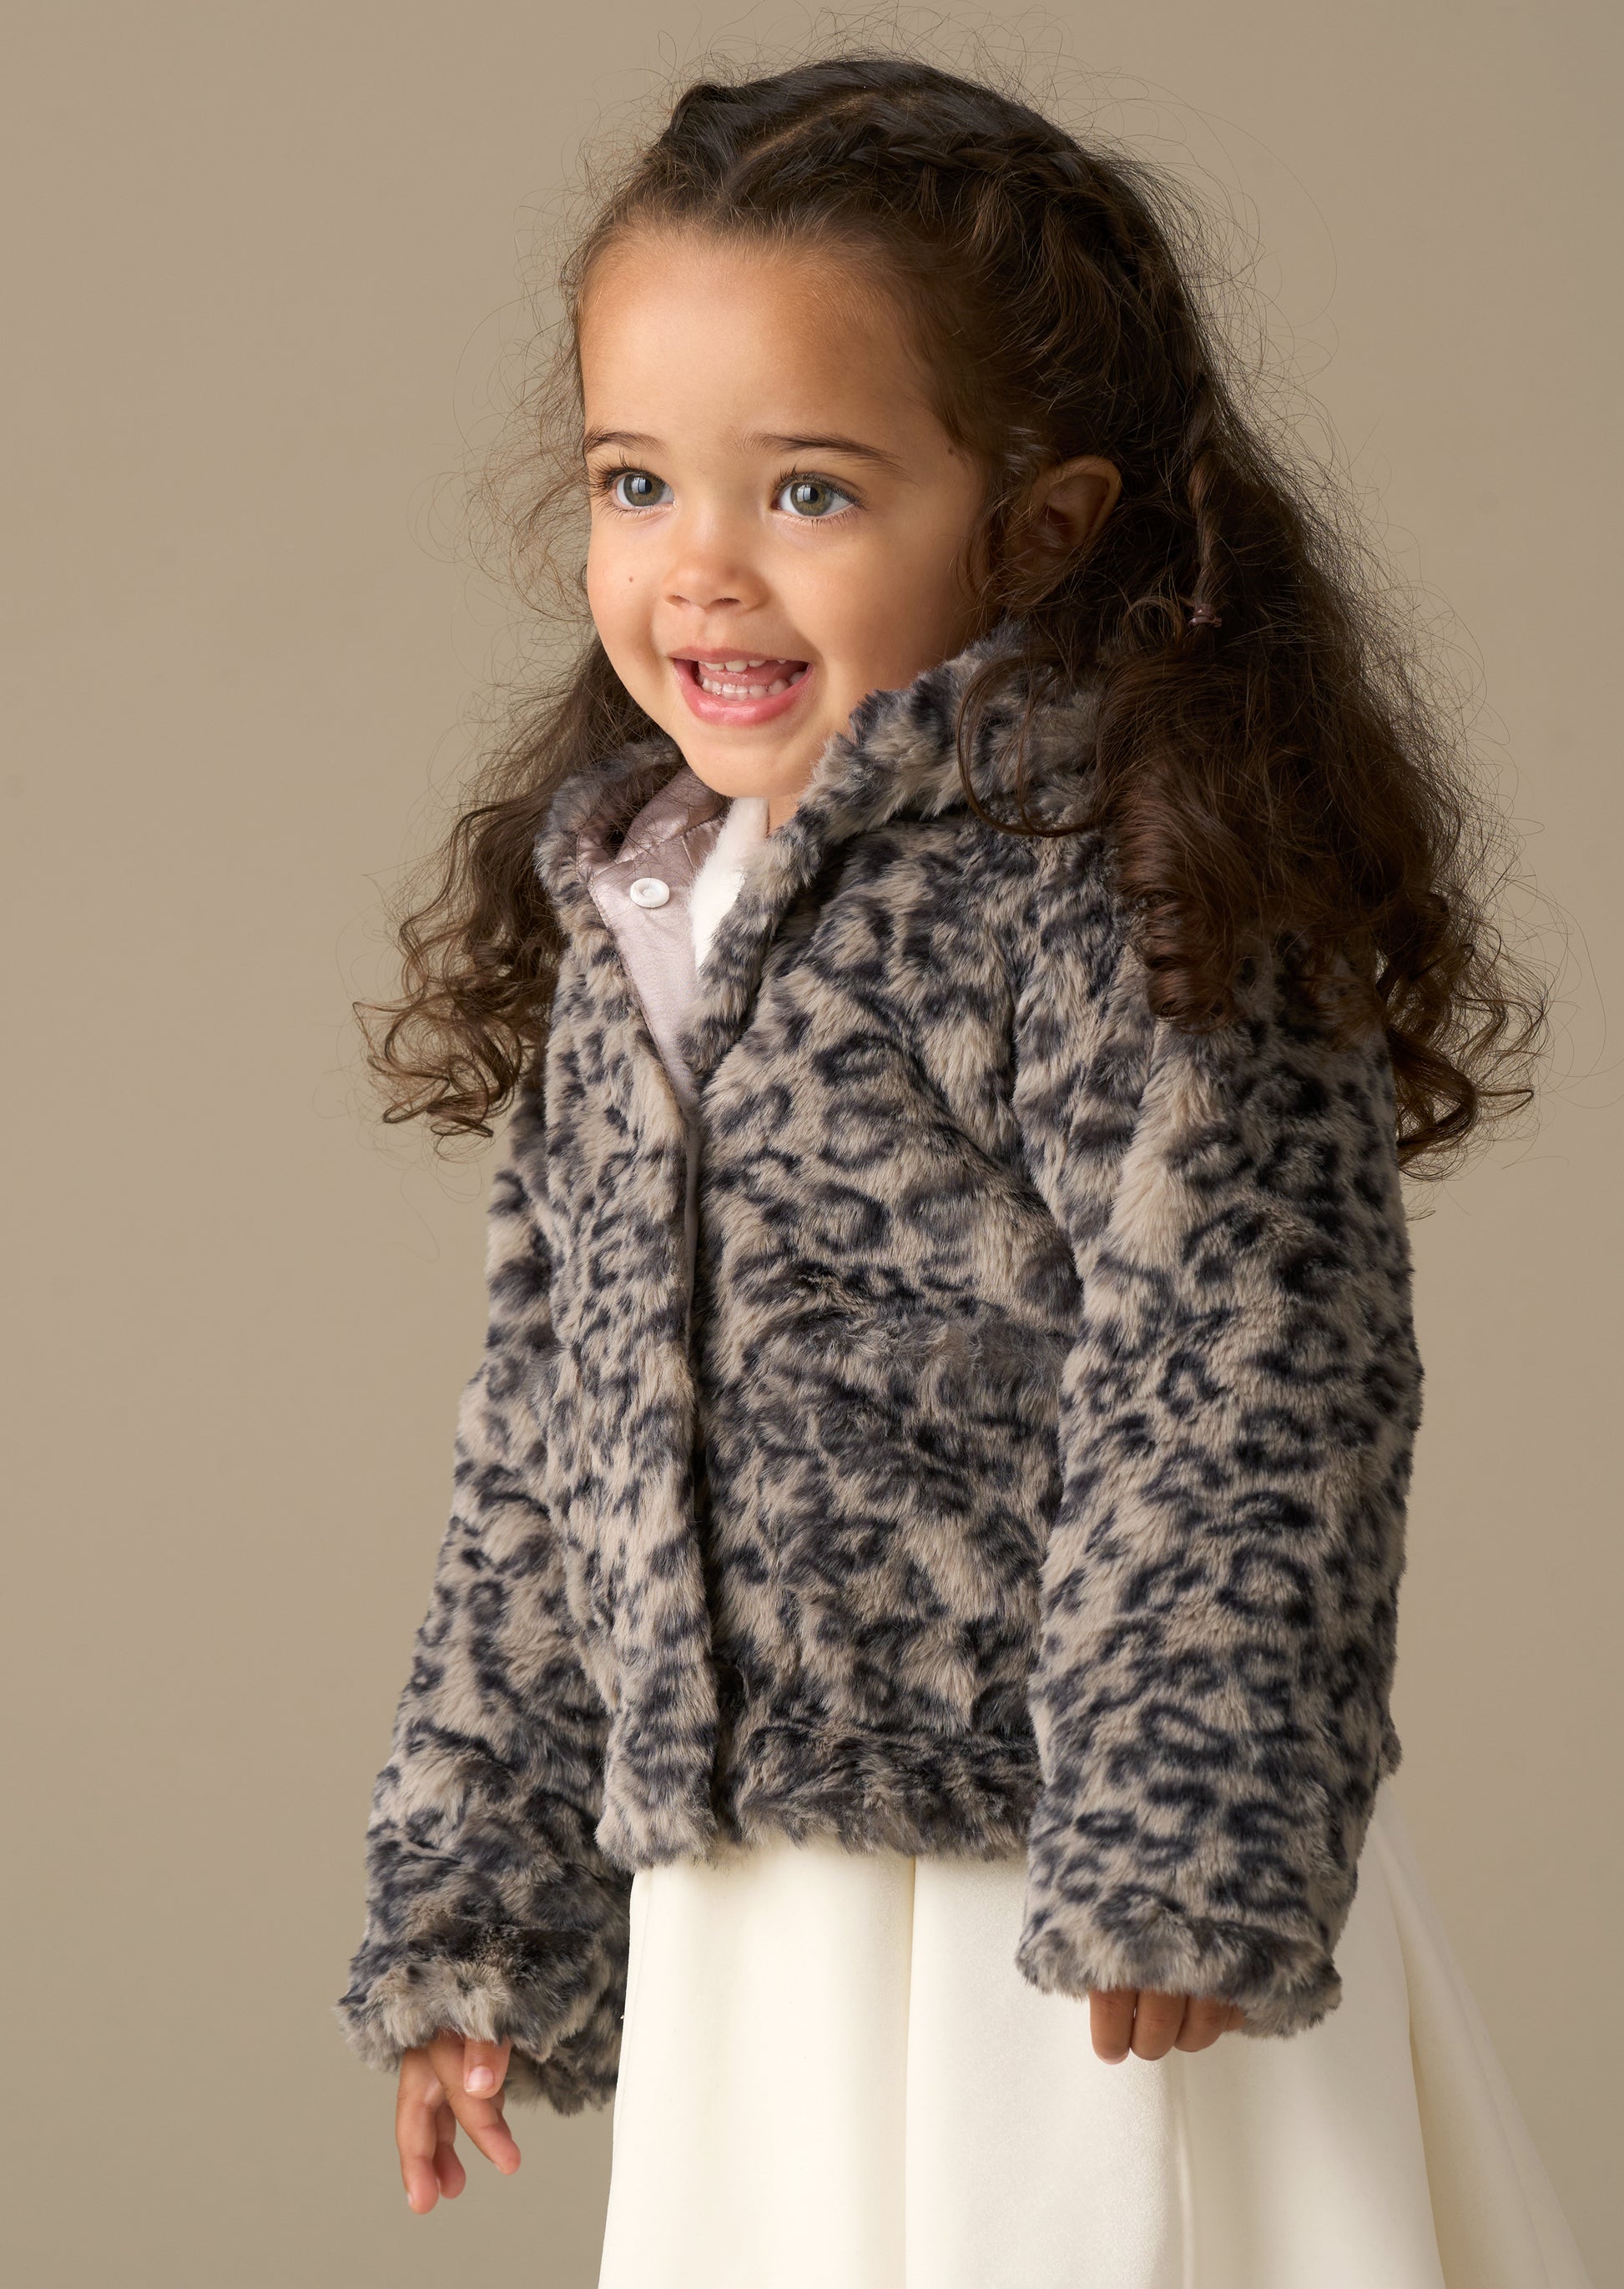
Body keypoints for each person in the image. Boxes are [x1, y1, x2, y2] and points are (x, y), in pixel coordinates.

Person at [334, 50, 1595, 2289]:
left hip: (1065, 1899)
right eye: (636, 482)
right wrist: (481, 1913)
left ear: (1038, 526)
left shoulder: (1121, 884)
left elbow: (1247, 1360)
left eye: (810, 491)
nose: (700, 568)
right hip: (753, 1919)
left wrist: (1185, 1834)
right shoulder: (638, 907)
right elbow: (547, 1447)